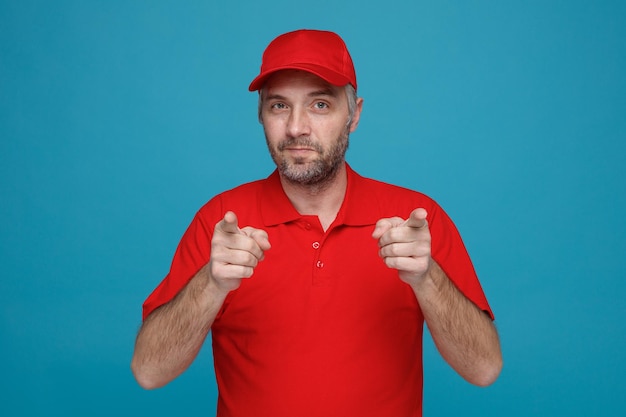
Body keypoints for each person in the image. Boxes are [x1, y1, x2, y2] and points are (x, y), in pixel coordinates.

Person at [131, 29, 502, 417]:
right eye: (278, 106)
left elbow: (484, 369)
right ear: (261, 114)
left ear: (354, 114)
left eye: (320, 105)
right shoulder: (222, 221)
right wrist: (211, 284)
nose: (296, 128)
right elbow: (149, 372)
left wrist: (428, 280)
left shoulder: (415, 220)